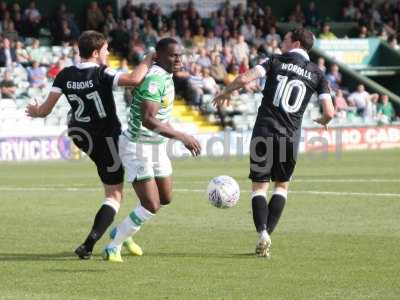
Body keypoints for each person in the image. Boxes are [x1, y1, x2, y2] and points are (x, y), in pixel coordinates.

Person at [25, 30, 154, 260]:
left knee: (115, 178)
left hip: (82, 136)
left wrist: (35, 112)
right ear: (95, 53)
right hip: (107, 138)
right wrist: (149, 57)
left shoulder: (64, 74)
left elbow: (44, 110)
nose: (108, 53)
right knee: (115, 195)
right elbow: (135, 79)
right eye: (105, 49)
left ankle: (123, 231)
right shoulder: (102, 73)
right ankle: (89, 244)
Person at [213, 28, 334, 258]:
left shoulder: (275, 60)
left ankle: (262, 233)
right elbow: (329, 110)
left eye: (285, 40)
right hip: (289, 136)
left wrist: (227, 91)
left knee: (259, 187)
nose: (281, 44)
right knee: (281, 186)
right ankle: (268, 234)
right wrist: (323, 119)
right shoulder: (318, 73)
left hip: (263, 131)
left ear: (295, 42)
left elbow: (245, 77)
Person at [103, 38, 201, 262]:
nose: (178, 59)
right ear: (159, 56)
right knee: (151, 204)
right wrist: (182, 137)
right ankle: (113, 245)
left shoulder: (166, 76)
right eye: (173, 55)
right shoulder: (155, 79)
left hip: (156, 146)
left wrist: (176, 134)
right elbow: (148, 119)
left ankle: (125, 230)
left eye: (180, 55)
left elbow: (162, 117)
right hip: (138, 146)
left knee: (164, 198)